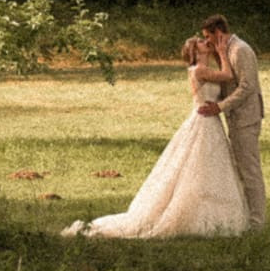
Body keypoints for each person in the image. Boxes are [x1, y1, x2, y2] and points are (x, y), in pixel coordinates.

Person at [62, 32, 250, 239]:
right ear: (194, 52)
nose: (206, 42)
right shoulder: (199, 70)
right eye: (201, 42)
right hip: (204, 120)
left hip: (210, 120)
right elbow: (228, 76)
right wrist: (223, 52)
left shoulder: (205, 69)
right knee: (199, 164)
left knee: (209, 165)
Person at [193, 13, 265, 232]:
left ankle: (257, 223)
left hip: (246, 118)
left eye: (208, 37)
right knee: (240, 169)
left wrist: (220, 107)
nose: (206, 42)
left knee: (250, 170)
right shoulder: (225, 52)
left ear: (219, 33)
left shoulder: (241, 50)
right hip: (234, 118)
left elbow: (247, 87)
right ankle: (245, 217)